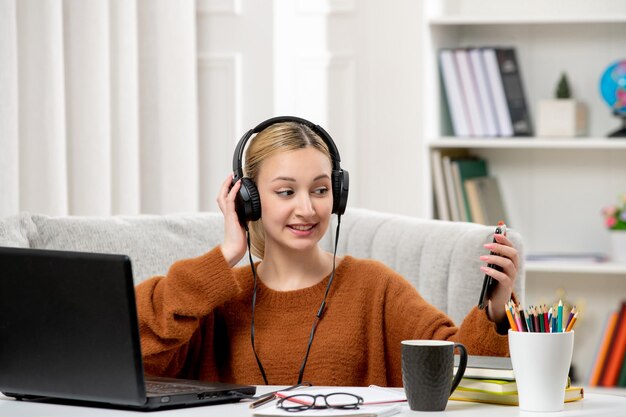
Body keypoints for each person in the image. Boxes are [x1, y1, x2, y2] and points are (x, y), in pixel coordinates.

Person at [135, 117, 519, 387]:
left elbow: (457, 369)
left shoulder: (374, 287)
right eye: (286, 192)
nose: (307, 208)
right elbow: (136, 350)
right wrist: (225, 255)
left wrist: (496, 312)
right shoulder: (216, 298)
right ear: (247, 200)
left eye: (320, 190)